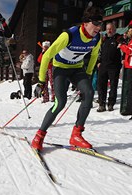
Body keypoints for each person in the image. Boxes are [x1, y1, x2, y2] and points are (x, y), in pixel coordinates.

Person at [31, 6, 102, 151]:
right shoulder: (69, 35)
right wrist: (41, 81)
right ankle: (39, 135)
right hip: (61, 69)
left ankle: (76, 135)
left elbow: (94, 56)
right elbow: (46, 56)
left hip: (77, 69)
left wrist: (88, 74)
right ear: (86, 23)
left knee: (89, 92)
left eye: (100, 23)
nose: (98, 27)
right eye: (96, 23)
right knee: (60, 103)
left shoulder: (97, 38)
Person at [97, 22, 122, 112]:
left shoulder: (118, 38)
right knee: (101, 86)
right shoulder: (104, 39)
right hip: (103, 66)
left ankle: (111, 103)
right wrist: (98, 61)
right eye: (107, 29)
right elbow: (99, 51)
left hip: (114, 67)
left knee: (113, 86)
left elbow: (123, 50)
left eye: (111, 29)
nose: (109, 30)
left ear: (114, 29)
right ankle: (101, 104)